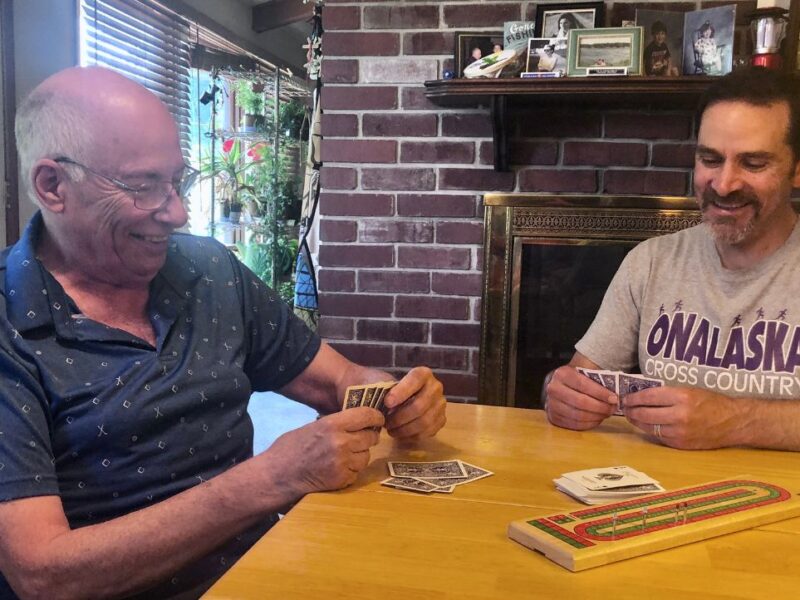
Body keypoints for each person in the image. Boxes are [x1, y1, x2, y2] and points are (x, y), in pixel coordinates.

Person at [0, 66, 447, 599]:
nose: (178, 212)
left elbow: (338, 381)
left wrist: (398, 399)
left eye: (178, 181)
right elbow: (43, 574)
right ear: (53, 186)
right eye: (144, 186)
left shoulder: (208, 269)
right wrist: (273, 479)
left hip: (264, 572)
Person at [545, 67, 800, 452]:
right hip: (657, 499)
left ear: (797, 170)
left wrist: (737, 421)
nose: (724, 184)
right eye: (710, 159)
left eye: (753, 163)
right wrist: (559, 393)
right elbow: (580, 379)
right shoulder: (650, 262)